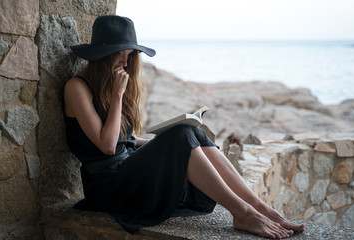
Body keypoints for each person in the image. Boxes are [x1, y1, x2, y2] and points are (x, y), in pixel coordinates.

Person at [64, 15, 305, 238]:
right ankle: (243, 214)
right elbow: (107, 146)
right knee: (182, 135)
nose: (126, 62)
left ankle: (260, 207)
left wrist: (165, 145)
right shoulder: (77, 88)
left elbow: (127, 140)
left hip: (128, 171)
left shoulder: (110, 84)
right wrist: (118, 96)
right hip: (108, 187)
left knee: (191, 132)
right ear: (102, 55)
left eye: (130, 54)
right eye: (120, 54)